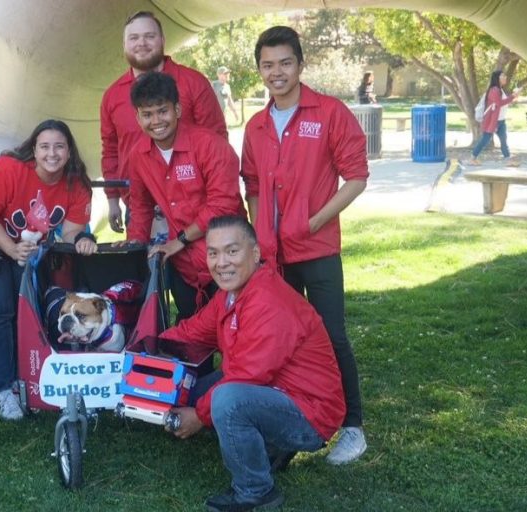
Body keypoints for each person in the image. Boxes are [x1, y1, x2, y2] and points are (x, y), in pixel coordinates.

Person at [240, 26, 369, 465]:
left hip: (318, 251)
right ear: (260, 70)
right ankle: (292, 427)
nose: (276, 73)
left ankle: (352, 425)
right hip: (273, 256)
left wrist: (313, 220)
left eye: (285, 63)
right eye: (267, 65)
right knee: (284, 344)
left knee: (331, 336)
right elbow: (252, 184)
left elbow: (356, 177)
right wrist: (260, 229)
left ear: (300, 64)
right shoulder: (256, 126)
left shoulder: (329, 112)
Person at [165, 216, 346, 511]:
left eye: (231, 251)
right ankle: (274, 446)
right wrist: (150, 345)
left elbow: (247, 376)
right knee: (199, 393)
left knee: (226, 400)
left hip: (311, 413)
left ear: (256, 253)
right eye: (213, 253)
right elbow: (194, 330)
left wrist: (198, 417)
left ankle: (256, 492)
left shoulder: (269, 301)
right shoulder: (230, 294)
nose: (221, 262)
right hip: (277, 390)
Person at [0, 119, 97, 420]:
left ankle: (28, 381)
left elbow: (72, 231)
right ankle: (4, 388)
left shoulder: (77, 183)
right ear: (33, 150)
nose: (52, 153)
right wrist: (10, 249)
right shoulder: (9, 168)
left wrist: (85, 238)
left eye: (59, 146)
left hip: (28, 252)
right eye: (45, 146)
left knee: (26, 313)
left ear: (69, 151)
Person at [120, 71, 245, 323]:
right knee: (194, 338)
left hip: (228, 257)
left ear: (177, 110)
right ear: (137, 117)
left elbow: (223, 204)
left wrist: (180, 240)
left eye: (162, 111)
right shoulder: (138, 155)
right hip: (184, 267)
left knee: (237, 333)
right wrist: (135, 245)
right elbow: (141, 205)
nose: (156, 120)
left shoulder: (210, 145)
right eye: (147, 114)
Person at [100, 10, 227, 233]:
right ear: (124, 45)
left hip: (195, 208)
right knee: (145, 266)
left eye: (149, 36)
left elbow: (217, 141)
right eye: (134, 38)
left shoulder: (193, 83)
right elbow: (111, 150)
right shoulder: (112, 96)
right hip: (139, 209)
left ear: (163, 41)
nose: (141, 43)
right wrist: (112, 200)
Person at [469, 69, 521, 166]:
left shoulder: (500, 90)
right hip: (493, 121)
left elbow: (502, 104)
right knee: (485, 140)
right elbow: (499, 103)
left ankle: (508, 160)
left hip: (501, 120)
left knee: (503, 140)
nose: (505, 77)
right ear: (497, 78)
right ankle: (473, 158)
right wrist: (513, 96)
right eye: (503, 76)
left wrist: (513, 98)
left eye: (505, 76)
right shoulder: (494, 90)